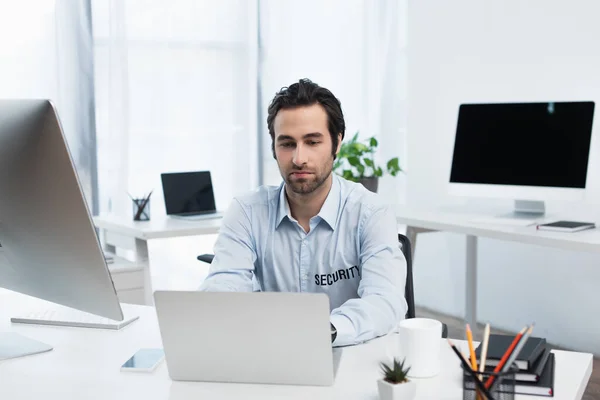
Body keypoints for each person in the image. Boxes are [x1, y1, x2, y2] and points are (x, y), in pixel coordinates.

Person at [199, 78, 407, 347]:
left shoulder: (371, 213)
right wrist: (216, 311)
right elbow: (224, 284)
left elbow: (384, 301)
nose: (299, 158)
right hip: (273, 354)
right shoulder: (247, 212)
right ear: (274, 148)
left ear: (337, 143)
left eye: (312, 142)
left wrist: (323, 331)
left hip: (350, 355)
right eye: (287, 143)